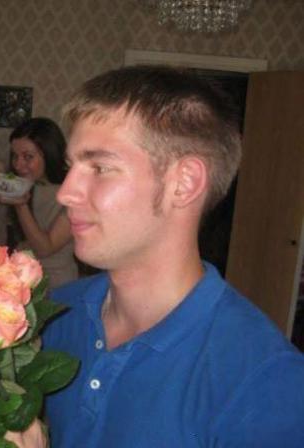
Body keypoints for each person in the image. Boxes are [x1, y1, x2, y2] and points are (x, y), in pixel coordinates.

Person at [42, 65, 304, 447]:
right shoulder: (55, 314)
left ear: (184, 183)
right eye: (71, 167)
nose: (65, 192)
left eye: (100, 167)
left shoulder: (264, 382)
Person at [0, 94, 78, 288]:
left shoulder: (72, 192)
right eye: (15, 156)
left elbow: (44, 248)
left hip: (57, 283)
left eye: (28, 157)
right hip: (18, 278)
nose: (19, 165)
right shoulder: (13, 178)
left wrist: (20, 204)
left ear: (49, 154)